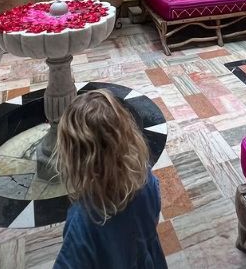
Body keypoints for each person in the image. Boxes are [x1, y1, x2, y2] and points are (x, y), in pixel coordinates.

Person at [53, 89, 167, 269]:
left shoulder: (83, 221)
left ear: (73, 156)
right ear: (127, 134)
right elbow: (152, 219)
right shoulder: (146, 180)